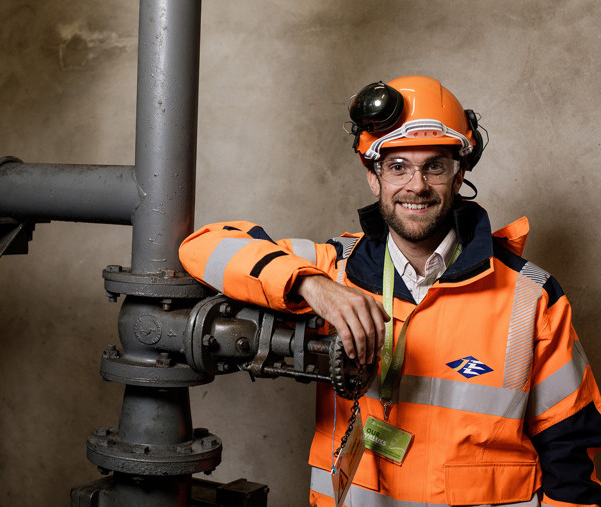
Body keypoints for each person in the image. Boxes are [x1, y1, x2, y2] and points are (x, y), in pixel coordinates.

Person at [179, 76, 601, 507]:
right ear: (373, 177)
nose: (416, 185)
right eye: (398, 166)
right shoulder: (333, 268)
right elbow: (203, 246)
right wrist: (311, 284)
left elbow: (572, 453)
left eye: (434, 166)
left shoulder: (530, 298)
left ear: (459, 175)